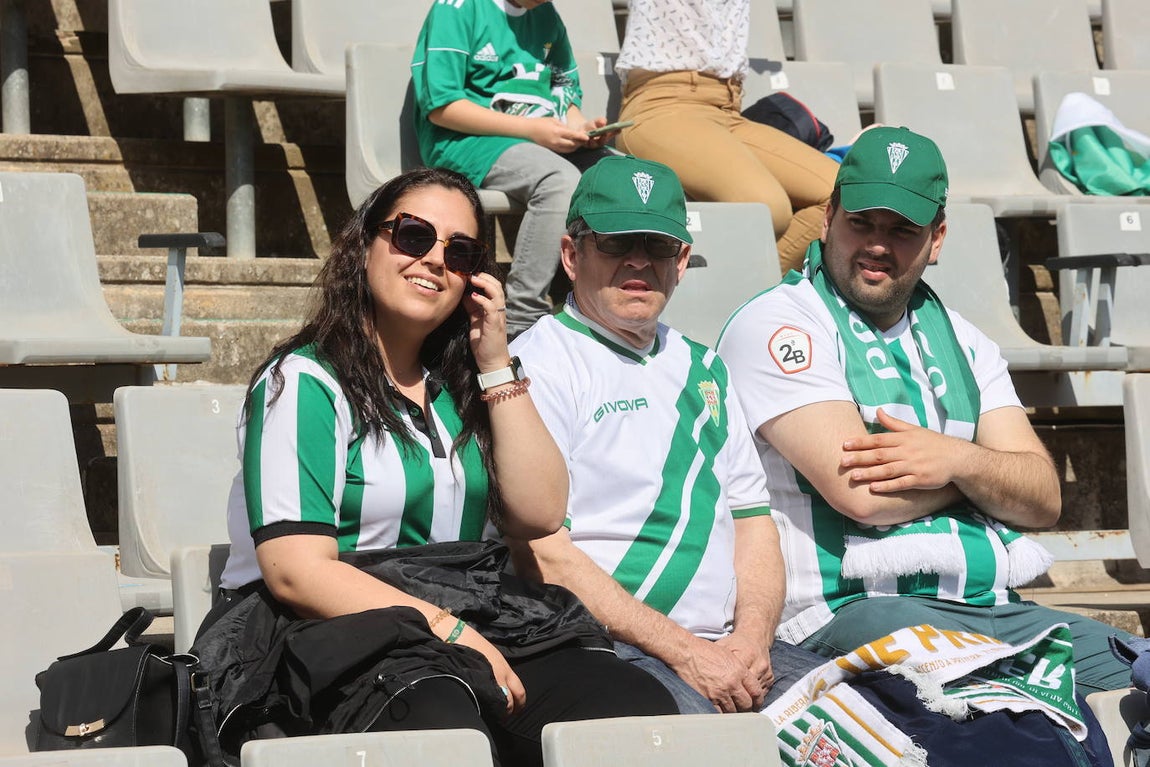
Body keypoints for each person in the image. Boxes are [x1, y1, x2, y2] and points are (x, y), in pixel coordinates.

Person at [211, 167, 676, 766]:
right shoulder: (304, 381)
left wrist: (495, 361)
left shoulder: (458, 387)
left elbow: (539, 513)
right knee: (440, 721)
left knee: (628, 701)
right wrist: (449, 631)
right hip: (319, 632)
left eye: (460, 252)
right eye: (412, 235)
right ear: (364, 244)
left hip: (457, 618)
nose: (434, 260)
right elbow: (296, 573)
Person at [717, 126, 1137, 696]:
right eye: (860, 222)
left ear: (936, 239)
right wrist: (981, 472)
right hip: (844, 611)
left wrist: (952, 459)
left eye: (902, 230)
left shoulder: (965, 341)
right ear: (827, 219)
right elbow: (863, 497)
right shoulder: (778, 324)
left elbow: (1043, 496)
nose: (876, 245)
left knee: (1137, 676)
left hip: (991, 608)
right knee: (1011, 708)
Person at [506, 154, 823, 715]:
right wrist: (688, 653)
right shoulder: (537, 365)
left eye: (656, 246)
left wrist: (750, 640)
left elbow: (753, 521)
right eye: (616, 243)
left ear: (680, 261)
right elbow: (545, 555)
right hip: (610, 650)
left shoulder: (707, 368)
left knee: (888, 730)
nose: (637, 261)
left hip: (730, 646)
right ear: (570, 255)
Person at [412, 0, 618, 338]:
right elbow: (442, 106)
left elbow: (565, 90)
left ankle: (600, 303)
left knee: (615, 175)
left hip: (537, 138)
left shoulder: (547, 14)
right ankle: (522, 319)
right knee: (559, 180)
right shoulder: (458, 8)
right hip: (466, 140)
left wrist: (580, 129)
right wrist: (532, 130)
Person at [613, 0, 839, 274]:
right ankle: (735, 297)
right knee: (768, 208)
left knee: (845, 193)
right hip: (661, 104)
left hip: (728, 109)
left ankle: (749, 299)